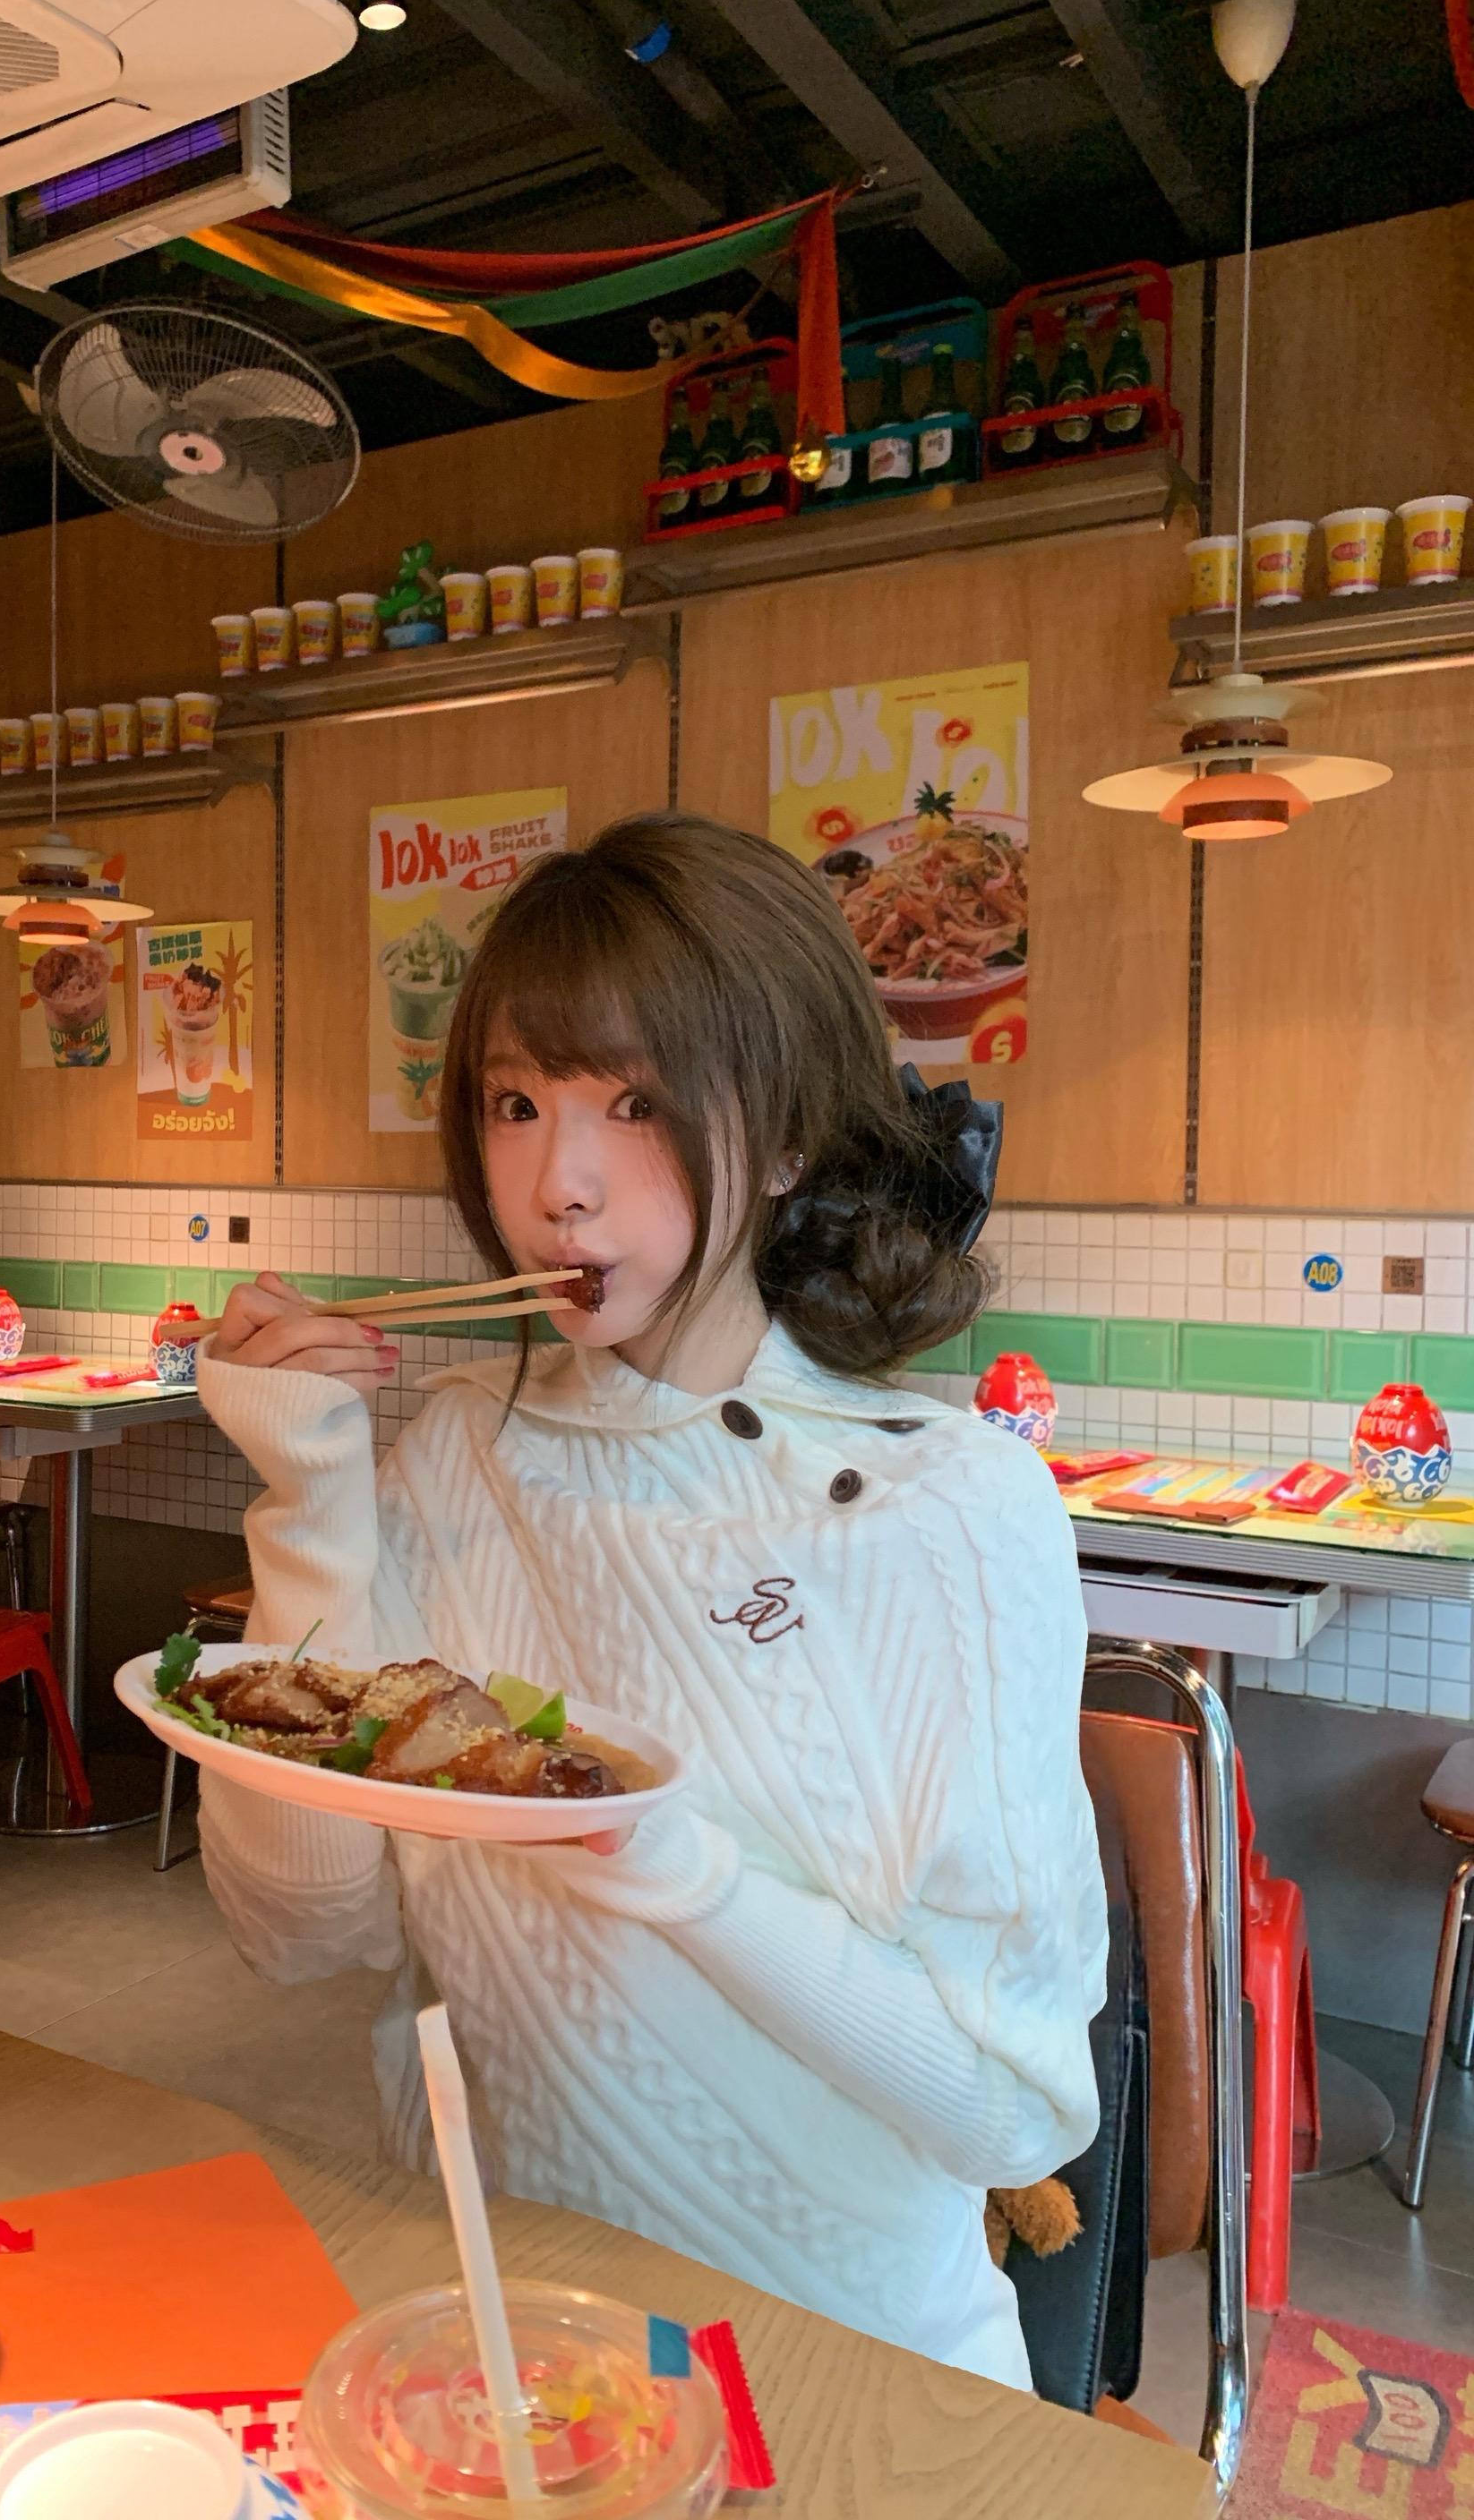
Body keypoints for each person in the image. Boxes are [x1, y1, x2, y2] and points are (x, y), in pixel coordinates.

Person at [194, 813, 1107, 2388]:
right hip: (509, 2339)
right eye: (516, 1104)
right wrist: (310, 1502)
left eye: (636, 1104)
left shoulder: (950, 1514)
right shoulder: (454, 1459)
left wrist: (671, 1863)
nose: (558, 1185)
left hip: (853, 2372)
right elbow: (302, 1929)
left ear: (791, 1137)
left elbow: (1009, 2108)